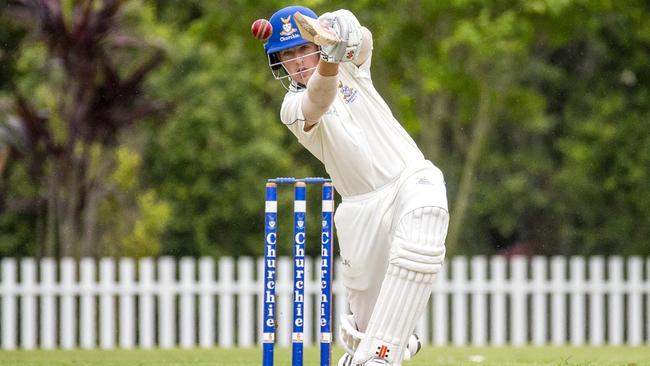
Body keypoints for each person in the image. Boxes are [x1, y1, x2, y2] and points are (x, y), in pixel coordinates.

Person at [262, 6, 449, 366]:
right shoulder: (292, 107)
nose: (298, 62)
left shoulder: (350, 67)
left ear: (316, 44)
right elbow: (319, 98)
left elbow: (364, 43)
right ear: (278, 64)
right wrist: (328, 59)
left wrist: (341, 27)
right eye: (287, 55)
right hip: (358, 212)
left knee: (428, 209)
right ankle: (382, 349)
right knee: (366, 325)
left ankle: (381, 354)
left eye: (303, 48)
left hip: (408, 178)